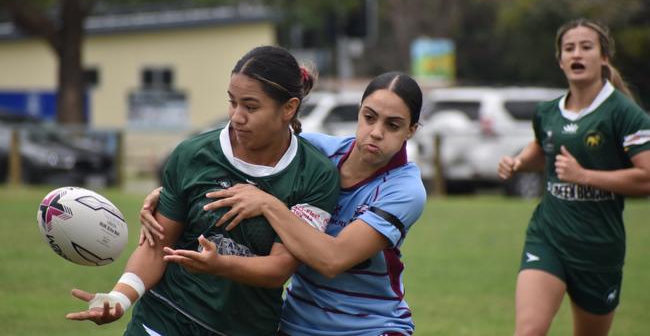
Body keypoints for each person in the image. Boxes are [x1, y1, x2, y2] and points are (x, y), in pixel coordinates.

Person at [65, 45, 340, 336]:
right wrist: (120, 298)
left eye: (251, 106)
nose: (236, 116)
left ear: (289, 108)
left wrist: (219, 264)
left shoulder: (315, 174)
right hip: (163, 321)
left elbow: (278, 269)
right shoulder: (193, 154)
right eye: (232, 102)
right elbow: (157, 246)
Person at [140, 71, 427, 335]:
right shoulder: (316, 153)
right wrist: (170, 193)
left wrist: (268, 204)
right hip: (296, 323)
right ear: (359, 113)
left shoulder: (406, 190)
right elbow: (236, 162)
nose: (376, 132)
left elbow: (332, 260)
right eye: (369, 117)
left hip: (372, 326)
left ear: (411, 130)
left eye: (393, 125)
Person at [498, 18, 650, 336]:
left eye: (586, 47)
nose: (576, 54)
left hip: (598, 248)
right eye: (569, 48)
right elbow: (543, 149)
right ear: (560, 60)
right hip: (548, 237)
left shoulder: (624, 113)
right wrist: (517, 162)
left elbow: (647, 177)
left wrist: (585, 176)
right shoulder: (547, 112)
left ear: (604, 58)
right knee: (528, 331)